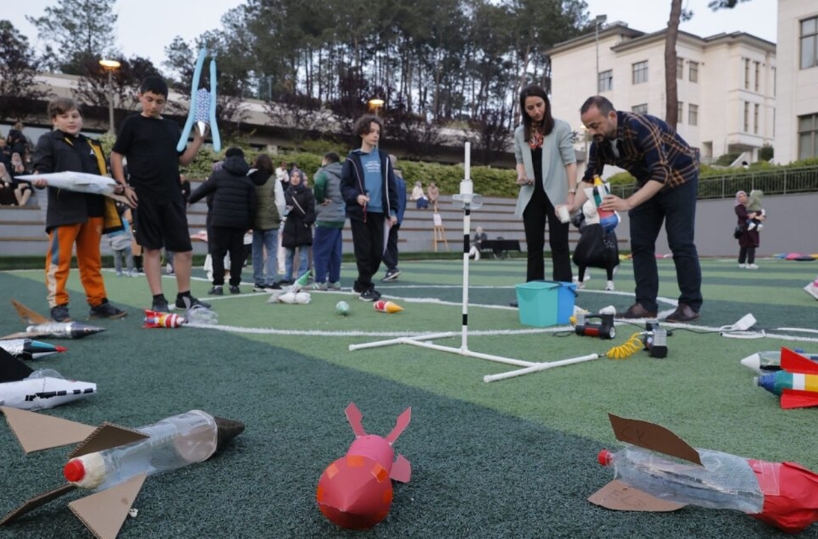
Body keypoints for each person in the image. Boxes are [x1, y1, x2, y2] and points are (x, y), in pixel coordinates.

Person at [573, 95, 702, 322]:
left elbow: (662, 175)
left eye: (595, 125)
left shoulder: (641, 127)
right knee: (641, 244)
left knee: (680, 242)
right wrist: (571, 206)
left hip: (680, 178)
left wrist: (628, 202)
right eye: (588, 127)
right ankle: (645, 304)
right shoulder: (599, 144)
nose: (593, 132)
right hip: (647, 182)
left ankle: (690, 305)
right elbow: (589, 178)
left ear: (612, 116)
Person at [110, 76, 210, 312]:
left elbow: (183, 160)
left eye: (160, 101)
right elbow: (116, 155)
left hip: (172, 196)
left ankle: (184, 297)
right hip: (143, 196)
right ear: (140, 96)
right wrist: (123, 186)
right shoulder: (132, 124)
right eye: (149, 99)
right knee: (152, 248)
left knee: (184, 249)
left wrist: (199, 139)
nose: (154, 105)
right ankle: (158, 299)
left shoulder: (171, 127)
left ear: (165, 102)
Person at [30, 97, 127, 321]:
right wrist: (38, 177)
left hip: (94, 210)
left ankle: (98, 303)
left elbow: (102, 177)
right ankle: (58, 305)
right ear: (54, 120)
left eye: (75, 116)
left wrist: (117, 186)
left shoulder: (92, 144)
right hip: (64, 211)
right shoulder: (48, 141)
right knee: (59, 260)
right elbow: (41, 168)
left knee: (92, 261)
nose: (71, 120)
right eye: (64, 116)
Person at [513, 85, 576, 287]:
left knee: (559, 244)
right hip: (531, 196)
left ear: (546, 103)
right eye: (530, 108)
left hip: (558, 196)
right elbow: (519, 159)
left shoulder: (561, 128)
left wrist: (571, 193)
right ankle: (534, 290)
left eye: (539, 105)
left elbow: (570, 162)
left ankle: (564, 291)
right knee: (534, 246)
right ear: (525, 110)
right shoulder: (520, 133)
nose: (536, 111)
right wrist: (522, 175)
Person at [340, 114, 398, 301]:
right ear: (362, 133)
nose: (375, 135)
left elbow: (391, 187)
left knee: (376, 253)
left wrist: (393, 211)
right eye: (372, 131)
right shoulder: (352, 159)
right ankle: (367, 288)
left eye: (378, 132)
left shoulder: (384, 159)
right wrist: (356, 197)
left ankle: (360, 284)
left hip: (380, 213)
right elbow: (344, 187)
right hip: (360, 213)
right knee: (363, 252)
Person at [188, 147, 256, 295]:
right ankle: (234, 284)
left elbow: (202, 190)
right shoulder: (247, 180)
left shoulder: (219, 175)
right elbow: (252, 205)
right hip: (239, 223)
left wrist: (189, 200)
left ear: (227, 158)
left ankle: (218, 285)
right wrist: (249, 223)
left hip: (219, 221)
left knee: (218, 253)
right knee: (236, 254)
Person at [310, 152, 345, 290]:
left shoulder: (324, 173)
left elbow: (318, 183)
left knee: (320, 250)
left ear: (326, 160)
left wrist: (320, 199)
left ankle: (320, 281)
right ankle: (334, 280)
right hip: (339, 217)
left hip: (325, 217)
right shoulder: (342, 175)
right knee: (335, 251)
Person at [249, 153, 285, 291]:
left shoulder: (249, 179)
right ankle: (270, 280)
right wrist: (279, 216)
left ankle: (258, 280)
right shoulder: (274, 180)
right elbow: (280, 202)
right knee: (271, 251)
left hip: (255, 220)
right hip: (271, 220)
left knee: (256, 251)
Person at [281, 168, 315, 283]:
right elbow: (282, 207)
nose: (295, 179)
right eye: (293, 176)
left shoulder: (307, 192)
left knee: (303, 255)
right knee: (288, 254)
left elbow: (311, 210)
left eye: (297, 176)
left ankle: (301, 277)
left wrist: (306, 222)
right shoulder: (286, 193)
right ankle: (287, 276)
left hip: (303, 226)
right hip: (290, 225)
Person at [381, 154, 407, 281]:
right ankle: (393, 268)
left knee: (380, 243)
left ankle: (392, 268)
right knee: (392, 243)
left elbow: (388, 197)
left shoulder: (388, 178)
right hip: (399, 215)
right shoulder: (401, 180)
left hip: (389, 215)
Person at [734, 190, 763, 269]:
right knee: (744, 245)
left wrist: (756, 215)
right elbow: (743, 215)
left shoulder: (751, 204)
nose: (743, 197)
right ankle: (742, 262)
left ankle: (750, 262)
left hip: (753, 228)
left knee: (752, 245)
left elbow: (759, 212)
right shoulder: (738, 207)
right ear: (738, 198)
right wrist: (754, 215)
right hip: (744, 229)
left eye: (744, 195)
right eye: (740, 196)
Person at [108, 203, 135, 277]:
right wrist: (130, 239)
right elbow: (128, 231)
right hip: (126, 242)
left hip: (115, 243)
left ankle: (118, 272)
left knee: (117, 258)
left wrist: (110, 242)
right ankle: (130, 271)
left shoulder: (111, 222)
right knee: (129, 257)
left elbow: (109, 234)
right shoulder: (125, 221)